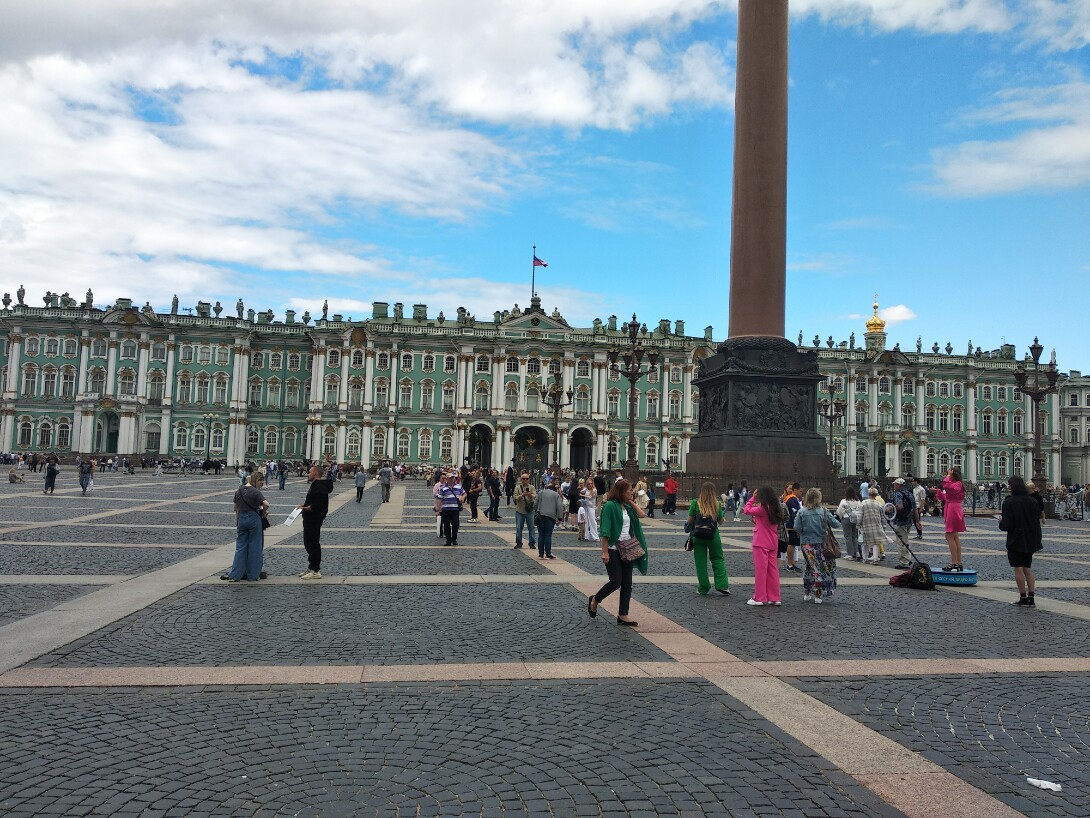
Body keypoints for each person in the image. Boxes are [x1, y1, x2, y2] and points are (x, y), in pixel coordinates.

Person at [588, 479, 647, 625]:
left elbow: (642, 515)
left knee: (627, 583)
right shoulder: (609, 506)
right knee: (616, 581)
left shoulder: (626, 506)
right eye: (629, 490)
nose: (632, 491)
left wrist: (631, 502)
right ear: (620, 491)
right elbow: (605, 530)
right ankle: (595, 599)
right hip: (613, 549)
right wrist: (605, 552)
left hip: (627, 549)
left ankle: (623, 615)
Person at [999, 475, 1043, 607]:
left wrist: (1001, 523)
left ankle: (1023, 597)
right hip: (1030, 538)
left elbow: (1007, 525)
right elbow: (1036, 521)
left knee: (1018, 568)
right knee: (1027, 568)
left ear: (1012, 486)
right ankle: (1032, 597)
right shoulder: (1032, 501)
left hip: (1016, 539)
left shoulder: (1009, 502)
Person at [793, 487, 841, 603]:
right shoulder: (823, 511)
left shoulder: (802, 512)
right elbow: (836, 525)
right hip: (821, 543)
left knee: (810, 567)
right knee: (821, 568)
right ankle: (818, 593)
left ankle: (807, 591)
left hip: (806, 544)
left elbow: (796, 528)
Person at [223, 471, 269, 582]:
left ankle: (235, 575)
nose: (261, 485)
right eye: (261, 482)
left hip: (241, 519)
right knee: (255, 547)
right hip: (254, 519)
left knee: (240, 547)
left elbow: (235, 508)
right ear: (257, 480)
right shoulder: (255, 492)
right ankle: (253, 575)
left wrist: (237, 520)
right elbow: (266, 504)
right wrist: (263, 512)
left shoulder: (238, 491)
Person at [686, 481, 730, 596]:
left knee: (700, 562)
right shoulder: (717, 504)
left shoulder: (695, 503)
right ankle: (722, 585)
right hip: (713, 536)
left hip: (698, 536)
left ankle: (704, 587)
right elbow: (720, 522)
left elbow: (689, 521)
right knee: (718, 558)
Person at [743, 485, 783, 605]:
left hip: (760, 542)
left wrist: (752, 499)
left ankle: (759, 597)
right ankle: (774, 597)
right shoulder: (776, 508)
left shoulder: (762, 508)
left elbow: (746, 510)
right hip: (772, 542)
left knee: (761, 571)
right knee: (773, 570)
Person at [297, 465, 330, 579]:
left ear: (315, 473)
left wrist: (304, 508)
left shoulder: (320, 488)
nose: (308, 474)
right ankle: (311, 567)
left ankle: (315, 570)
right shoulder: (315, 485)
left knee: (313, 544)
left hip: (314, 519)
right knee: (308, 543)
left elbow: (316, 506)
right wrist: (304, 506)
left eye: (310, 472)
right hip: (309, 519)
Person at [935, 467, 967, 571]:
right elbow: (947, 496)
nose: (947, 475)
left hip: (953, 510)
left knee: (949, 536)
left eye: (949, 474)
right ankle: (958, 562)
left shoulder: (957, 484)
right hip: (952, 507)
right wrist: (938, 492)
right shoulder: (957, 484)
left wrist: (948, 476)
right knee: (954, 537)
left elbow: (948, 487)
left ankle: (954, 562)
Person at [534, 479, 564, 559]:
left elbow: (535, 504)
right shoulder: (556, 495)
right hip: (550, 517)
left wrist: (536, 511)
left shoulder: (540, 493)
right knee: (548, 535)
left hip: (540, 516)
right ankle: (548, 553)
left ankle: (540, 553)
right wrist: (560, 517)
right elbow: (559, 507)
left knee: (541, 535)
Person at [890, 477, 916, 570]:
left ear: (898, 485)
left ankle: (904, 562)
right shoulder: (909, 493)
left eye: (895, 484)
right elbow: (914, 508)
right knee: (905, 540)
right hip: (909, 520)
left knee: (901, 542)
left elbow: (899, 506)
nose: (894, 486)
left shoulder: (898, 494)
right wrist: (917, 521)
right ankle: (907, 559)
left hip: (900, 520)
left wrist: (891, 509)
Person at [436, 471, 466, 546]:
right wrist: (437, 510)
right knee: (446, 525)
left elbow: (464, 493)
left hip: (455, 509)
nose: (451, 479)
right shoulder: (443, 488)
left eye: (452, 478)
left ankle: (454, 539)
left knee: (456, 525)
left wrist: (462, 497)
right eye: (450, 478)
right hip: (446, 509)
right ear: (447, 479)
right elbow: (439, 499)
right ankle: (448, 540)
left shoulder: (459, 486)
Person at [836, 485, 864, 561]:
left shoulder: (844, 501)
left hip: (846, 518)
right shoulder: (858, 501)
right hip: (856, 519)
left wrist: (841, 517)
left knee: (848, 537)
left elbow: (839, 511)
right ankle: (857, 552)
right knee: (854, 536)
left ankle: (850, 554)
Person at [859, 487, 885, 564]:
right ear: (876, 494)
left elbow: (860, 515)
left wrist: (858, 524)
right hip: (876, 524)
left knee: (865, 542)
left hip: (865, 524)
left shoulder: (863, 503)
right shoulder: (879, 504)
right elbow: (882, 516)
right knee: (875, 542)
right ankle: (875, 558)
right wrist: (884, 526)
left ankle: (865, 557)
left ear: (868, 494)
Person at [512, 472, 537, 550]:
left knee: (531, 527)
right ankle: (519, 543)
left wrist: (530, 495)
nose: (525, 480)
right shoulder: (517, 487)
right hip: (520, 510)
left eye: (526, 478)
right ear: (521, 479)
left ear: (529, 479)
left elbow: (535, 497)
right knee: (519, 528)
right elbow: (514, 497)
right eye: (523, 478)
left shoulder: (532, 487)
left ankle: (532, 543)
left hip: (530, 510)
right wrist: (521, 495)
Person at [782, 482, 802, 572]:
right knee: (792, 544)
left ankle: (791, 563)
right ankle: (790, 564)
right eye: (800, 491)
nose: (801, 493)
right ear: (795, 490)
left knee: (792, 544)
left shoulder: (789, 499)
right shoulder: (793, 499)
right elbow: (795, 513)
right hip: (793, 525)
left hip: (791, 524)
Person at [580, 477, 599, 543]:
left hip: (591, 507)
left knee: (593, 521)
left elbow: (590, 497)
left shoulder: (594, 490)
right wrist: (581, 489)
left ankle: (595, 536)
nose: (590, 485)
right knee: (586, 522)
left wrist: (583, 495)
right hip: (586, 507)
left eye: (591, 483)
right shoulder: (586, 489)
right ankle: (587, 536)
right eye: (588, 484)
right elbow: (580, 491)